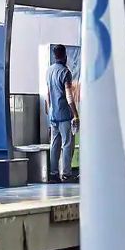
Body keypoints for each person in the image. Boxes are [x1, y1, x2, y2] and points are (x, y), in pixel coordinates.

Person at [44, 44, 78, 183]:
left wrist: (48, 109)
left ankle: (53, 174)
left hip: (53, 113)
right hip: (64, 113)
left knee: (54, 144)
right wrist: (75, 114)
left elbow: (48, 93)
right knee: (67, 144)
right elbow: (69, 96)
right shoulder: (66, 72)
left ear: (54, 55)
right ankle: (66, 174)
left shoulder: (49, 71)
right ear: (65, 55)